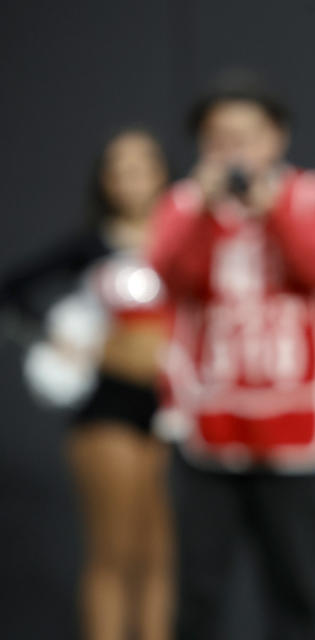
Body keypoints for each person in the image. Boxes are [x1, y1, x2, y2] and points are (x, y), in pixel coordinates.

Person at [148, 71, 315, 639]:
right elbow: (172, 277)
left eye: (245, 137)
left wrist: (273, 211)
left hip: (296, 429)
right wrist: (203, 212)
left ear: (277, 138)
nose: (233, 152)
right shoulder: (182, 205)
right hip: (209, 429)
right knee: (198, 590)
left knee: (295, 587)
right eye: (218, 139)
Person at [0, 128, 174, 640]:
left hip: (170, 407)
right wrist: (69, 344)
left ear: (163, 174)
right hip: (109, 406)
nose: (129, 180)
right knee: (112, 550)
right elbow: (13, 292)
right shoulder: (90, 246)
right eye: (117, 169)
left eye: (140, 167)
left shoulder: (182, 242)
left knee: (158, 553)